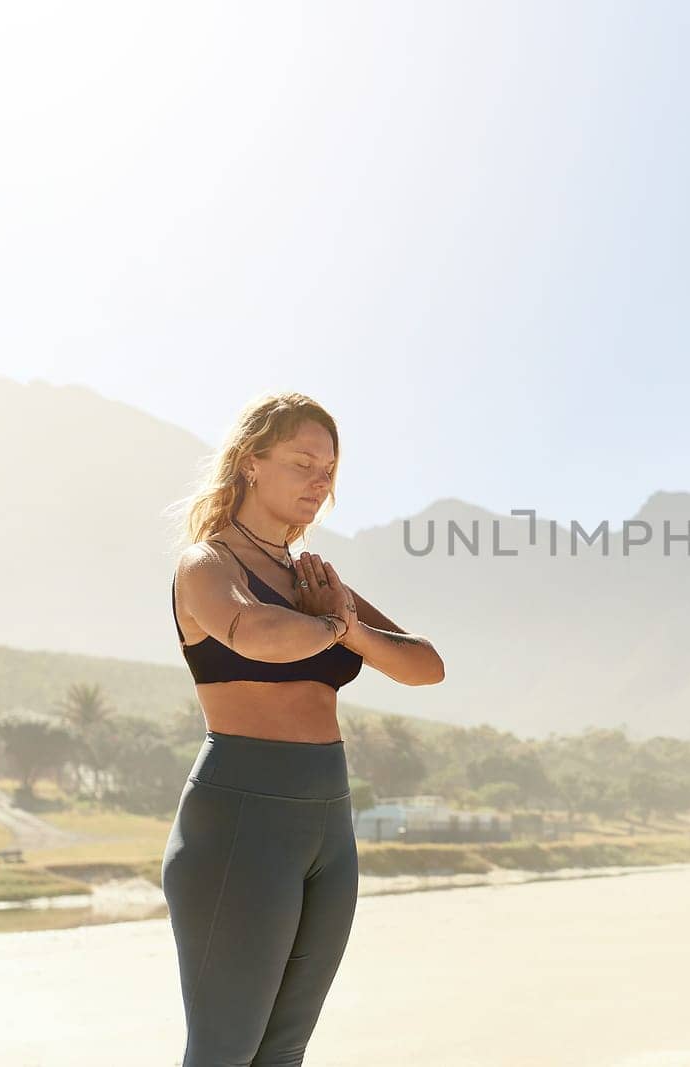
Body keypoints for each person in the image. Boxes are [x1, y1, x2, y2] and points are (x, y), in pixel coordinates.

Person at [162, 392, 445, 1065]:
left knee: (283, 1051)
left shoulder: (314, 578)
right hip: (239, 819)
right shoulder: (208, 564)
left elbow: (425, 665)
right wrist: (331, 625)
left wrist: (345, 623)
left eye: (329, 471)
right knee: (224, 1051)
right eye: (303, 463)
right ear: (252, 462)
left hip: (328, 823)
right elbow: (253, 632)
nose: (320, 483)